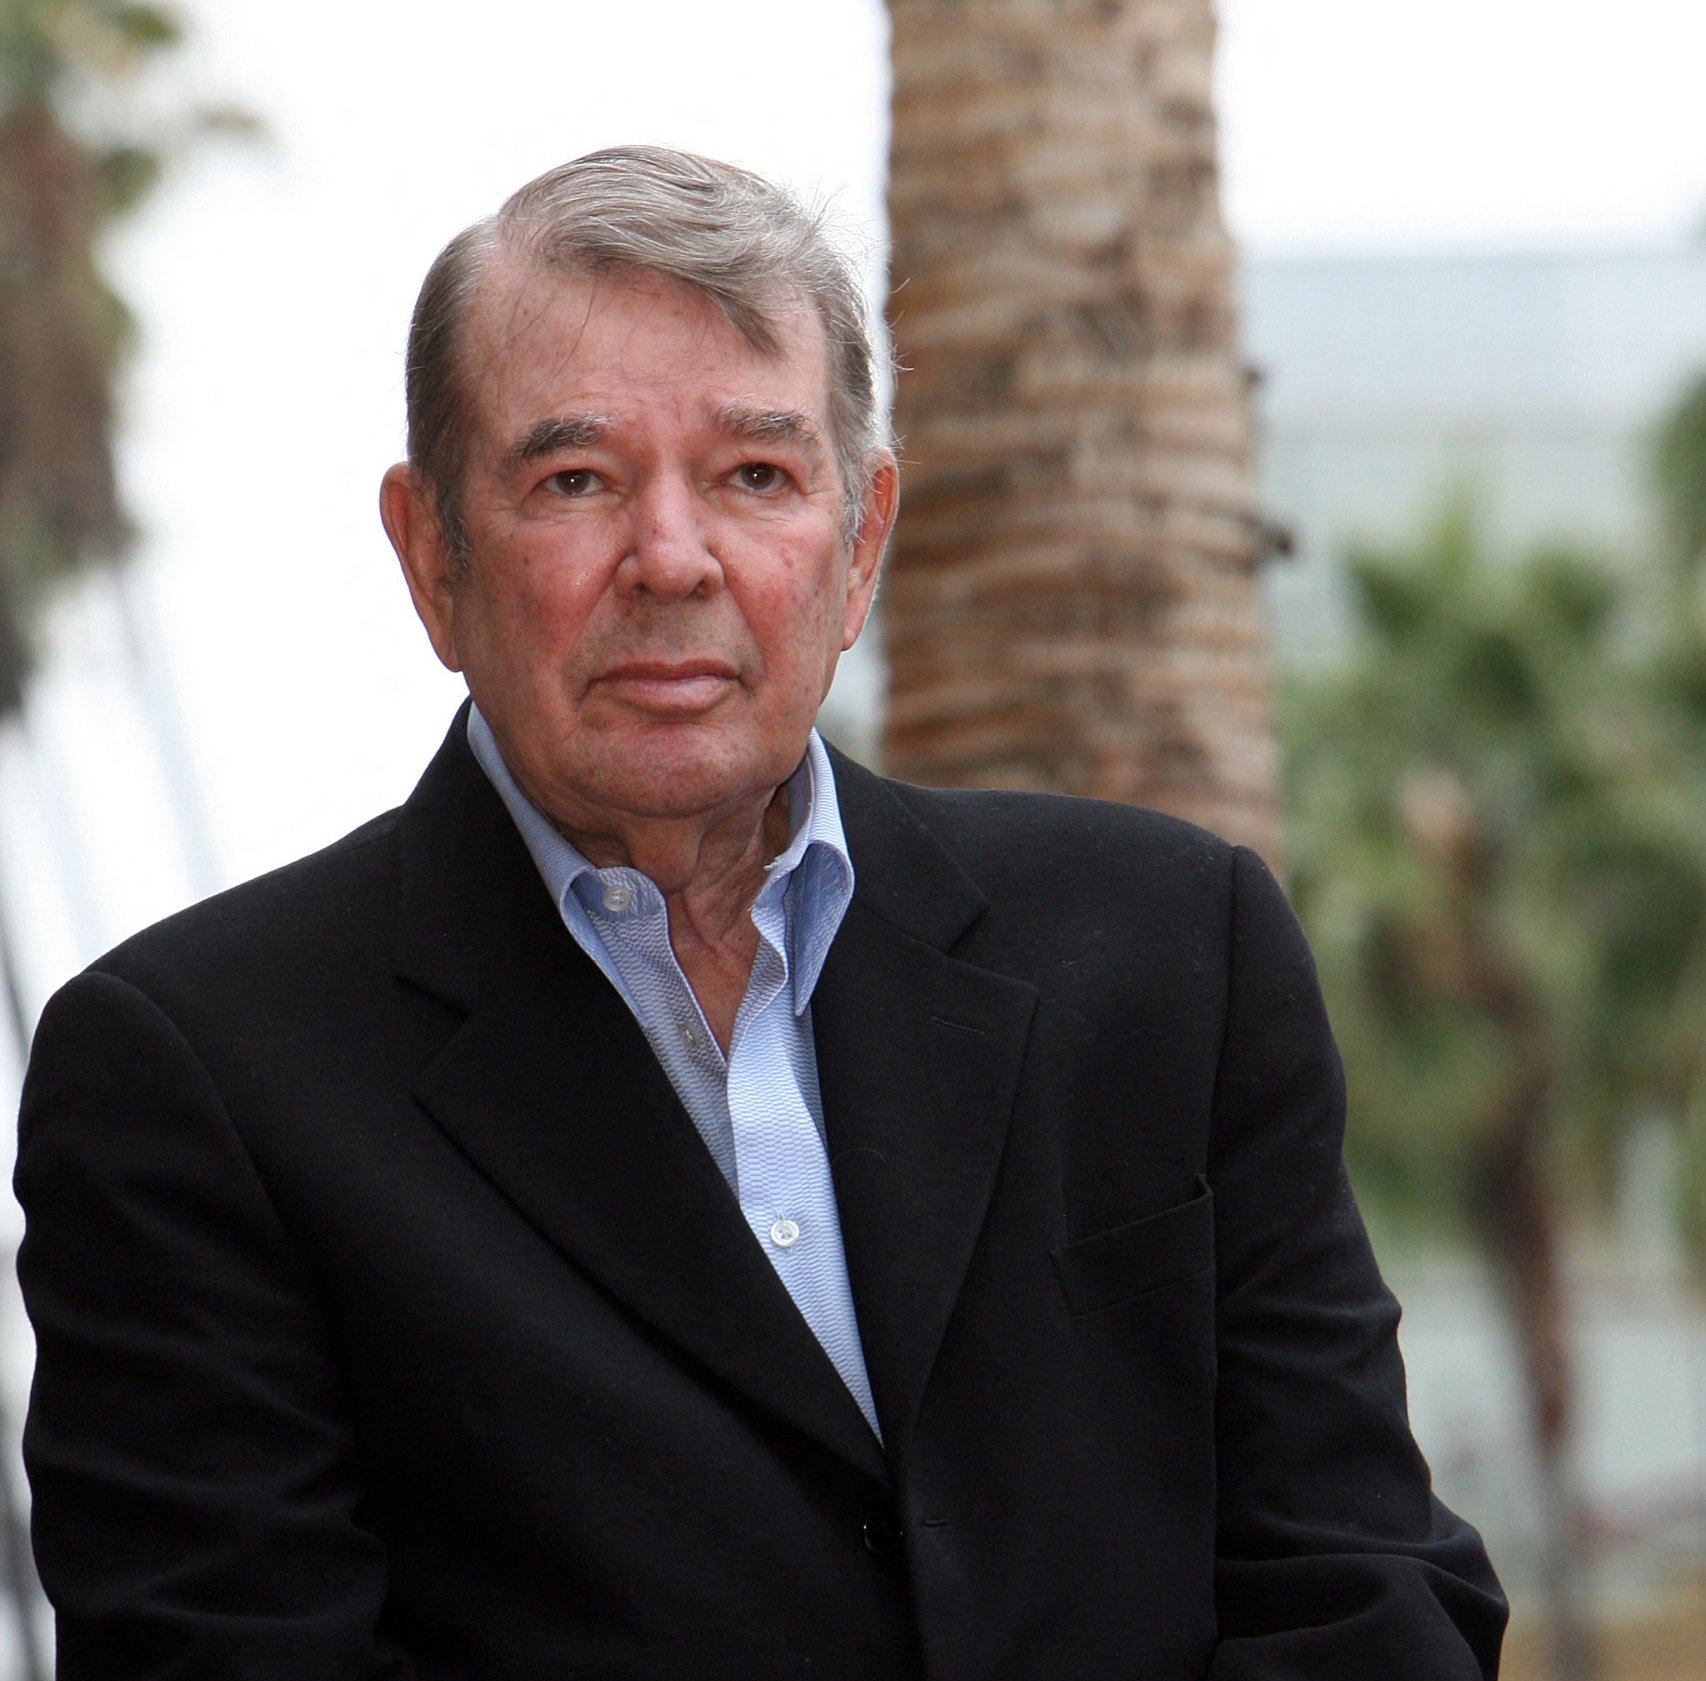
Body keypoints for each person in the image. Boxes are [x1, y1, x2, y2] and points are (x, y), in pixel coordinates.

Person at [14, 146, 1505, 1679]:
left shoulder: (1176, 949)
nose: (671, 560)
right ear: (431, 556)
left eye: (755, 476)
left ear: (859, 546)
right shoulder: (194, 1080)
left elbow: (1368, 1584)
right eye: (575, 481)